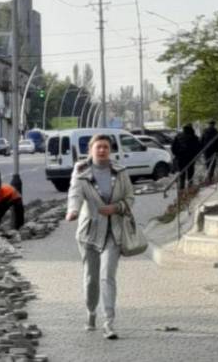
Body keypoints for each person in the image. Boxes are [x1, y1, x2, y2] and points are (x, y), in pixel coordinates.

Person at [65, 134, 135, 340]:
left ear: (110, 150)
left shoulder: (120, 172)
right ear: (91, 149)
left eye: (106, 147)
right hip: (89, 233)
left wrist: (117, 207)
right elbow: (74, 194)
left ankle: (109, 323)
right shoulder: (81, 171)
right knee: (91, 278)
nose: (102, 150)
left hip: (114, 232)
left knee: (107, 277)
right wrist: (73, 211)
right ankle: (91, 312)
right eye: (99, 147)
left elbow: (130, 197)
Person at [171, 124, 201, 190]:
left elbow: (173, 148)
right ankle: (190, 189)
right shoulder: (194, 137)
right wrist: (195, 155)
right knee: (190, 175)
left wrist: (178, 154)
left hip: (181, 159)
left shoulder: (178, 136)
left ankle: (182, 189)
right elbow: (199, 148)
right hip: (191, 159)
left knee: (182, 175)